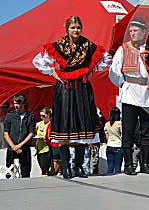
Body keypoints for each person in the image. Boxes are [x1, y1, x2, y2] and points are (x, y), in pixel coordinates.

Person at [33, 16, 112, 179]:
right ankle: (67, 167)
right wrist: (53, 72)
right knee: (64, 125)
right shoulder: (59, 45)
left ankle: (78, 167)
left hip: (82, 88)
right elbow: (39, 61)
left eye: (78, 27)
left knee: (81, 124)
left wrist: (91, 71)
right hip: (65, 89)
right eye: (73, 27)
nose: (76, 30)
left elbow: (106, 58)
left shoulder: (87, 45)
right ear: (67, 29)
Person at [109, 17, 149, 175]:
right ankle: (128, 165)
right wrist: (123, 84)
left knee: (147, 130)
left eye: (135, 30)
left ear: (144, 32)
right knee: (128, 130)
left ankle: (145, 164)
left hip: (147, 93)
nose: (132, 33)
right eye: (131, 31)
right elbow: (113, 71)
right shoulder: (124, 49)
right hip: (130, 93)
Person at [3, 94, 36, 178]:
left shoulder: (30, 116)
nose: (16, 106)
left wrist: (20, 145)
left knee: (26, 172)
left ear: (24, 103)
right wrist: (13, 146)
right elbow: (6, 133)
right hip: (12, 148)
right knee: (9, 172)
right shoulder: (9, 116)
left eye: (18, 103)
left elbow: (31, 133)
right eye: (14, 103)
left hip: (24, 148)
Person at [104, 107, 123, 174]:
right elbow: (122, 135)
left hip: (109, 145)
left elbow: (107, 137)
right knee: (117, 167)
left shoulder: (107, 124)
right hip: (118, 145)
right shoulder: (119, 123)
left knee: (110, 166)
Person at [35, 107, 52, 176]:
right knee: (42, 168)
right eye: (41, 116)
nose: (42, 118)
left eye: (43, 116)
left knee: (45, 170)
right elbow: (35, 133)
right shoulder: (39, 124)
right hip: (39, 148)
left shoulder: (51, 124)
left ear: (48, 115)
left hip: (47, 148)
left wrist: (44, 138)